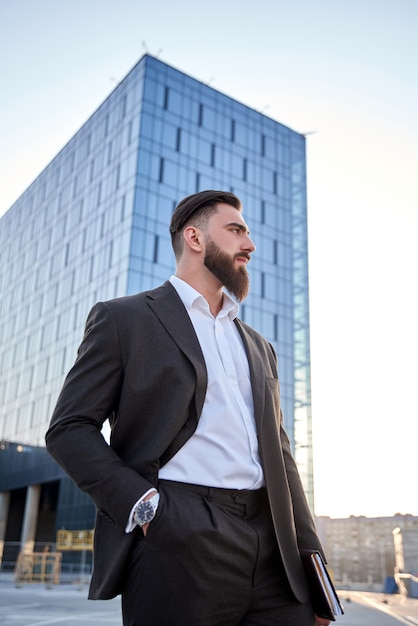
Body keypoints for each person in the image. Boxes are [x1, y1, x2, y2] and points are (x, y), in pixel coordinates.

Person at [46, 190, 330, 626]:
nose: (249, 245)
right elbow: (69, 428)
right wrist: (144, 507)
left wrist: (313, 565)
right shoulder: (124, 320)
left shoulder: (259, 346)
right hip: (180, 536)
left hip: (274, 547)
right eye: (236, 230)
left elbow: (280, 454)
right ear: (195, 238)